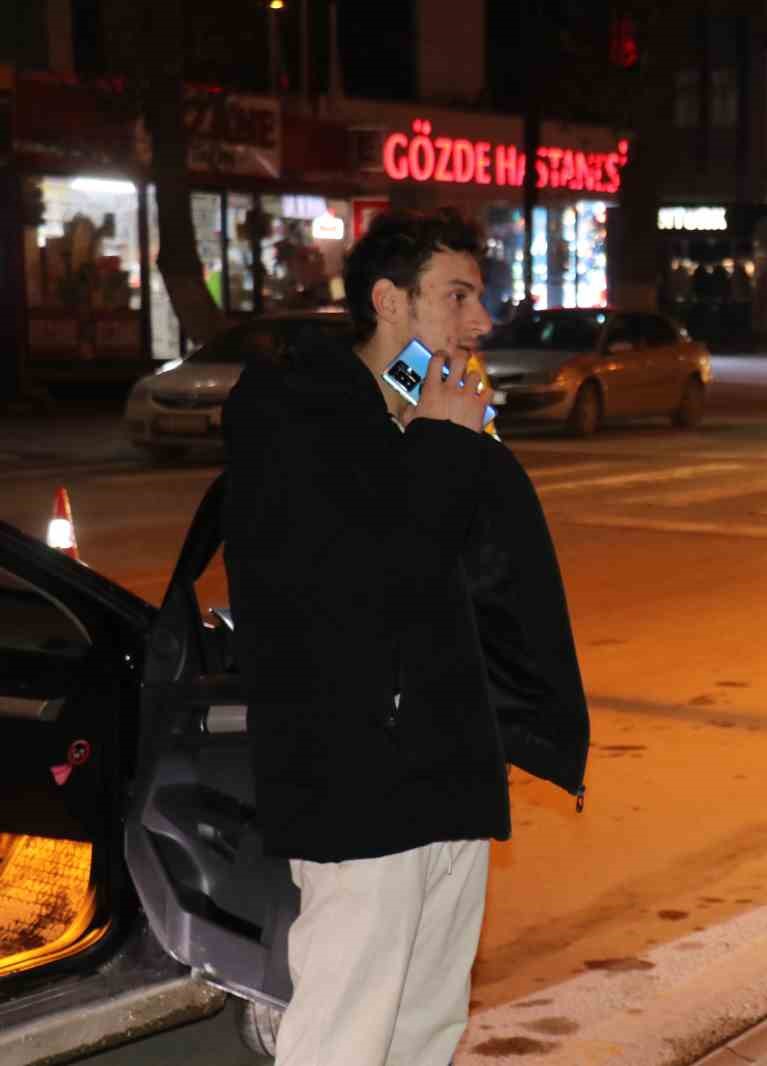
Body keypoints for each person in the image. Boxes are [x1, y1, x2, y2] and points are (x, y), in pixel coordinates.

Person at [222, 209, 589, 1066]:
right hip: (357, 788)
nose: (481, 321)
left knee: (426, 1031)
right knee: (347, 1035)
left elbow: (493, 590)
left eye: (480, 297)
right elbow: (356, 587)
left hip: (450, 777)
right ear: (389, 301)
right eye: (457, 296)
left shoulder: (441, 423)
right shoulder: (294, 418)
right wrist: (442, 451)